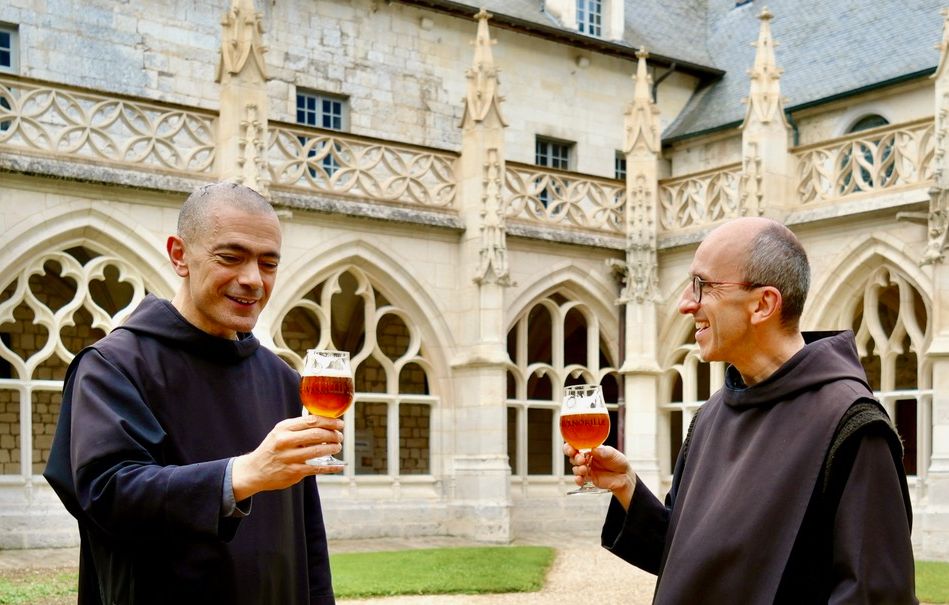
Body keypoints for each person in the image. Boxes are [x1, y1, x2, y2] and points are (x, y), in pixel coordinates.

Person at [566, 217, 917, 604]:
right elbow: (687, 561)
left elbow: (875, 596)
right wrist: (627, 487)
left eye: (703, 285)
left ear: (763, 304)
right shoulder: (710, 417)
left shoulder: (852, 427)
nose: (685, 303)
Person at [44, 182, 342, 605]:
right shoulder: (115, 365)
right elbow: (105, 492)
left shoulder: (280, 377)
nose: (253, 279)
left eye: (268, 263)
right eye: (231, 257)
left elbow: (306, 526)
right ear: (180, 255)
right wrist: (241, 475)